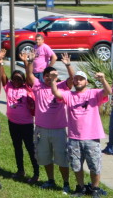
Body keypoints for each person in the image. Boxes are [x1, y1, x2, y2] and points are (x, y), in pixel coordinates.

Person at [50, 69, 111, 197]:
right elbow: (56, 93)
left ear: (86, 82)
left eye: (81, 79)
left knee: (95, 166)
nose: (78, 81)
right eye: (76, 79)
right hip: (74, 138)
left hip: (91, 137)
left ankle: (95, 189)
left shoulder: (93, 93)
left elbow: (108, 92)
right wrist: (53, 80)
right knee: (76, 166)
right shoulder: (69, 95)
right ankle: (80, 188)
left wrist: (103, 79)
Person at [26, 50, 74, 192]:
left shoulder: (62, 86)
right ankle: (51, 180)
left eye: (52, 76)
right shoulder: (38, 86)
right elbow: (29, 75)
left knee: (62, 158)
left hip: (59, 130)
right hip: (41, 129)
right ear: (43, 76)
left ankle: (65, 183)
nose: (49, 78)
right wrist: (30, 62)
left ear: (56, 76)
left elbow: (72, 79)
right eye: (46, 76)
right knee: (45, 157)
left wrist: (68, 65)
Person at [0, 52, 39, 182]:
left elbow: (29, 75)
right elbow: (3, 77)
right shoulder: (9, 86)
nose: (17, 81)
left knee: (30, 148)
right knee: (17, 148)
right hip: (13, 123)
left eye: (19, 79)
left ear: (23, 81)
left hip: (26, 124)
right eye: (14, 78)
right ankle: (20, 170)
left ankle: (36, 173)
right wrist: (0, 63)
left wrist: (27, 62)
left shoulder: (27, 88)